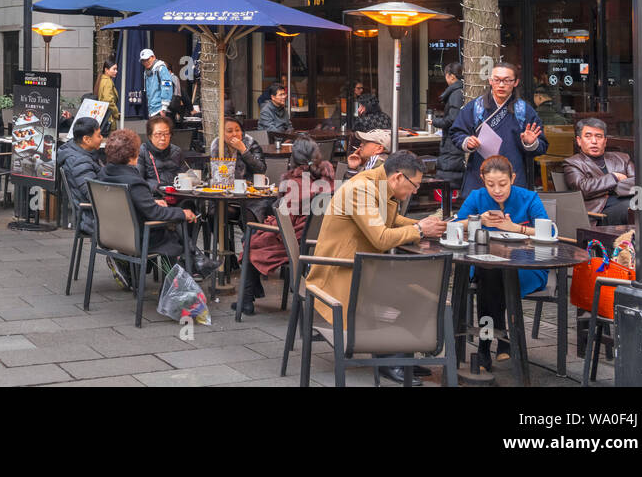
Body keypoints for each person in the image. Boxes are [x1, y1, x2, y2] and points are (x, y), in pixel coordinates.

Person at [307, 151, 446, 383]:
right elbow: (380, 238)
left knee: (423, 293)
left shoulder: (378, 183)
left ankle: (402, 355)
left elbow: (392, 221)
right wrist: (420, 230)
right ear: (398, 177)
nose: (415, 191)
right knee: (414, 295)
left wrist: (424, 225)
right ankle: (391, 360)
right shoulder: (361, 189)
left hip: (363, 268)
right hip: (341, 272)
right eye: (415, 185)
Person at [455, 154, 553, 369]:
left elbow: (550, 231)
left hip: (525, 266)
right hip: (485, 263)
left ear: (513, 178)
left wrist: (516, 228)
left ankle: (485, 346)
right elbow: (455, 225)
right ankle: (500, 340)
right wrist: (477, 219)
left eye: (503, 184)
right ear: (483, 179)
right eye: (491, 184)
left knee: (490, 277)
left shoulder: (528, 197)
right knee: (490, 270)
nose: (497, 190)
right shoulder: (477, 197)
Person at [99, 129, 220, 280]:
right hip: (136, 237)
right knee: (174, 231)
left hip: (109, 234)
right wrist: (182, 213)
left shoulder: (104, 174)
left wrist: (151, 202)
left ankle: (197, 261)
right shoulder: (133, 181)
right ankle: (178, 280)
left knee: (172, 223)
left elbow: (126, 202)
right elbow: (155, 213)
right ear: (133, 154)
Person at [237, 136, 337, 315]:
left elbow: (287, 220)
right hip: (319, 240)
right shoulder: (327, 178)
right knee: (251, 237)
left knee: (250, 240)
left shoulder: (296, 183)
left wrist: (269, 222)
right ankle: (251, 293)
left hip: (294, 240)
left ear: (294, 157)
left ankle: (246, 300)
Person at [450, 61, 547, 195]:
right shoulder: (476, 107)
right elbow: (456, 132)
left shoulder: (524, 111)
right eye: (497, 80)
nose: (501, 85)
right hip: (480, 174)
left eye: (507, 81)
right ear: (490, 81)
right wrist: (467, 141)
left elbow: (542, 145)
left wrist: (530, 143)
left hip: (513, 176)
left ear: (515, 82)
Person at [562, 118, 635, 224]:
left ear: (605, 141)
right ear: (579, 140)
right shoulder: (573, 163)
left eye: (598, 136)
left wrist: (609, 188)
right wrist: (614, 177)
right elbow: (583, 188)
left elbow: (638, 183)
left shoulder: (622, 158)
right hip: (598, 213)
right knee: (632, 208)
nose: (594, 141)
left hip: (628, 203)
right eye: (588, 136)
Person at [432, 62, 465, 186]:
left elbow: (452, 119)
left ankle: (448, 199)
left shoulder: (456, 93)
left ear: (451, 76)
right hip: (456, 143)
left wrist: (435, 122)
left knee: (448, 182)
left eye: (446, 75)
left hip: (453, 143)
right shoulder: (462, 91)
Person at [208, 117, 266, 182]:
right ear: (221, 134)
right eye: (230, 131)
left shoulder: (250, 143)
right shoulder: (217, 146)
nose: (235, 134)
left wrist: (244, 151)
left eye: (237, 130)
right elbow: (216, 174)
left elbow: (261, 170)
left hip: (248, 184)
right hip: (224, 185)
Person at [139, 115, 187, 194]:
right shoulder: (142, 151)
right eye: (158, 134)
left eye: (166, 134)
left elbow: (185, 177)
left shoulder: (176, 152)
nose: (163, 138)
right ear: (150, 136)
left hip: (175, 195)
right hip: (152, 196)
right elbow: (138, 181)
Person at [140, 49, 174, 120]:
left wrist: (164, 108)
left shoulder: (161, 69)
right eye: (143, 60)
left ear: (153, 57)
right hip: (152, 110)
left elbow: (167, 87)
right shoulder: (147, 72)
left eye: (147, 59)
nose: (146, 62)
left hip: (161, 110)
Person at [95, 59, 120, 133]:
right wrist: (116, 113)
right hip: (108, 118)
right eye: (114, 69)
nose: (116, 71)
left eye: (116, 69)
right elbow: (108, 100)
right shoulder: (108, 81)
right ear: (106, 70)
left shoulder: (101, 79)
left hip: (102, 116)